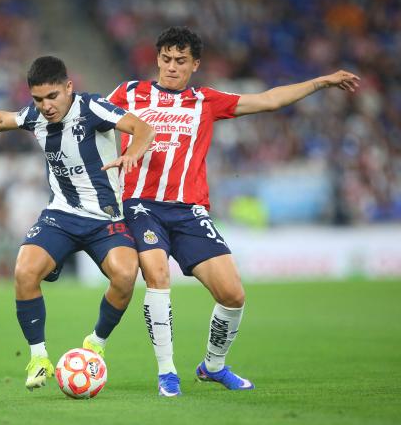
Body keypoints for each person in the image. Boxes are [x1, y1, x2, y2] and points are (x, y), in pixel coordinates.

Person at [107, 26, 360, 396]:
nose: (171, 67)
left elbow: (269, 100)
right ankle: (167, 374)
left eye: (180, 61)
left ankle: (213, 366)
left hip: (189, 211)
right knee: (158, 276)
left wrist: (320, 82)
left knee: (233, 294)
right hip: (140, 205)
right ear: (157, 58)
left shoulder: (206, 100)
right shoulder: (129, 93)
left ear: (195, 64)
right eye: (165, 59)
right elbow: (85, 116)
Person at [0, 55, 155, 391]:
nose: (46, 106)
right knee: (24, 272)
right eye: (38, 99)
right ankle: (38, 358)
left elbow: (142, 128)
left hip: (106, 219)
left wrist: (133, 150)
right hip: (61, 215)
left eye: (52, 97)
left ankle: (95, 343)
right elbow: (0, 121)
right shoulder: (35, 116)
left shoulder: (93, 108)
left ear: (68, 88)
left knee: (125, 275)